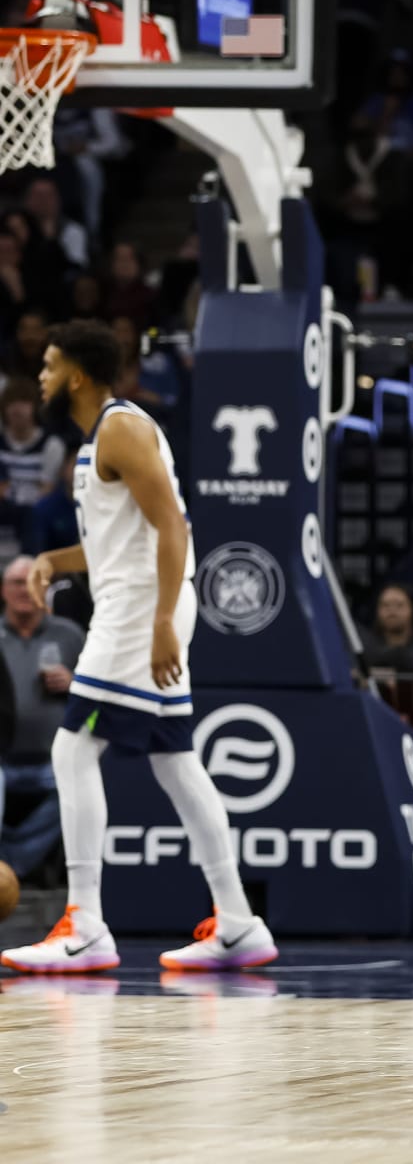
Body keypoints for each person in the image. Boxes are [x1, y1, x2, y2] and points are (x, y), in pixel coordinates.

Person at [2, 320, 278, 974]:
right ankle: (239, 923)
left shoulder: (122, 428)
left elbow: (173, 527)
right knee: (176, 761)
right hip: (137, 599)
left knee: (73, 748)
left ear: (76, 374)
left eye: (48, 365)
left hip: (139, 608)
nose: (40, 376)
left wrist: (159, 620)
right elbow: (112, 544)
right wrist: (53, 560)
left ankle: (87, 923)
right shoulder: (101, 439)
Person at [0, 554, 82, 880]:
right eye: (17, 582)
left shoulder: (70, 635)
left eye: (34, 580)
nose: (25, 589)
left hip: (55, 759)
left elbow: (101, 696)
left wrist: (75, 683)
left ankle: (10, 866)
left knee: (76, 788)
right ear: (3, 590)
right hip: (2, 759)